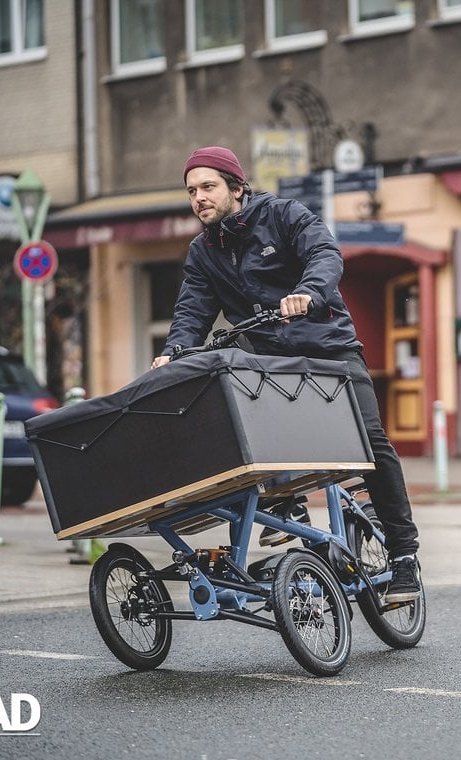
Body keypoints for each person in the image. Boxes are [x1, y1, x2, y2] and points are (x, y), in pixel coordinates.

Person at [150, 146, 421, 603]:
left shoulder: (283, 215)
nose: (199, 198)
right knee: (244, 427)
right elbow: (192, 310)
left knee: (371, 445)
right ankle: (288, 504)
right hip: (270, 362)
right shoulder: (203, 252)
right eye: (192, 190)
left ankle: (403, 557)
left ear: (236, 188)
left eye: (208, 187)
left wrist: (307, 293)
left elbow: (325, 255)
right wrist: (174, 351)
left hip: (330, 351)